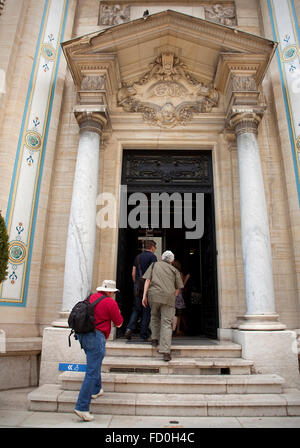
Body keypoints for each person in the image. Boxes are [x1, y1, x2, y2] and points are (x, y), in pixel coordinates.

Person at [74, 280, 123, 422]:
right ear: (109, 292)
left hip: (83, 336)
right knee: (91, 372)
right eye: (113, 292)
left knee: (94, 365)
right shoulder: (110, 303)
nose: (113, 295)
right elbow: (119, 323)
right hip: (96, 337)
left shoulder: (90, 297)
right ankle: (82, 407)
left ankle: (96, 389)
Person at [142, 250, 184, 362]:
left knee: (154, 316)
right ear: (172, 260)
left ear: (161, 257)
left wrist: (144, 296)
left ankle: (155, 338)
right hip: (168, 298)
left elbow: (147, 280)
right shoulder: (175, 270)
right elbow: (177, 288)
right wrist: (173, 297)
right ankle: (165, 352)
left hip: (153, 295)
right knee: (166, 323)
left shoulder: (154, 265)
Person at [125, 240, 157, 341]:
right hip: (148, 286)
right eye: (155, 248)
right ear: (152, 247)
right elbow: (154, 273)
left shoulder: (137, 257)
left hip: (137, 286)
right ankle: (144, 335)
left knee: (136, 309)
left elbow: (133, 274)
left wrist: (137, 284)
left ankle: (129, 328)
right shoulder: (153, 257)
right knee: (146, 311)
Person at [172, 260, 189, 336]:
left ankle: (171, 329)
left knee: (171, 313)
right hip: (178, 294)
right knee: (178, 314)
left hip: (171, 294)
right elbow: (181, 285)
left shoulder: (170, 273)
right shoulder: (180, 273)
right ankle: (177, 330)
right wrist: (186, 279)